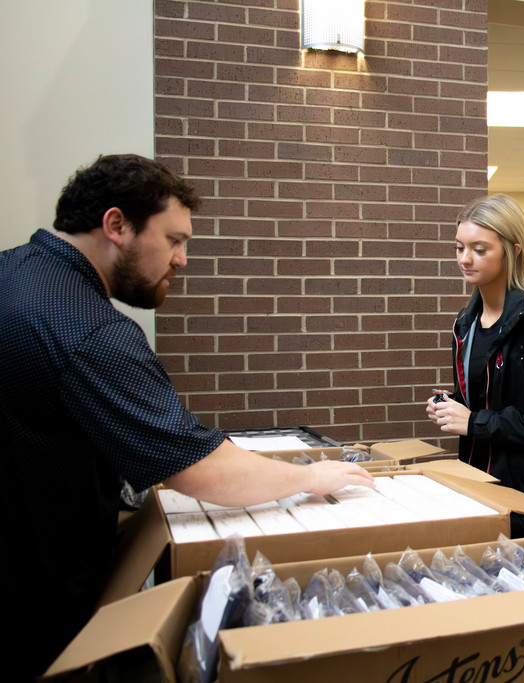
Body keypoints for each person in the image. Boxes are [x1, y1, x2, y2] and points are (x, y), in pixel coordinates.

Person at [0, 154, 376, 680]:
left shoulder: (13, 271)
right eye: (174, 240)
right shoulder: (87, 328)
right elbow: (199, 468)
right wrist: (311, 477)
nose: (181, 260)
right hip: (33, 609)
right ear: (116, 225)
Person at [425, 194, 524, 536]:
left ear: (513, 251)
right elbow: (492, 398)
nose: (465, 259)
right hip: (479, 488)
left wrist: (474, 422)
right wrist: (454, 405)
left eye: (479, 249)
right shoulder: (466, 323)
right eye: (459, 248)